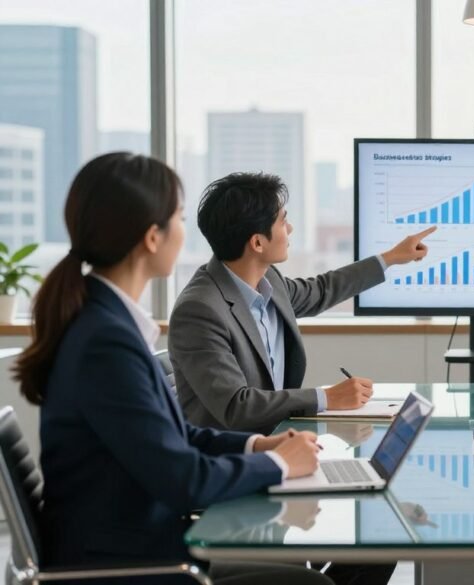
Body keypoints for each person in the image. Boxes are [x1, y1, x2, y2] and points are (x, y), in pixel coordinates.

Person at [11, 153, 331, 584]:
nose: (186, 232)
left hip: (148, 545)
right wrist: (279, 466)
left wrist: (259, 447)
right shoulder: (105, 342)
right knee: (310, 582)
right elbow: (184, 479)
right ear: (152, 238)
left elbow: (176, 438)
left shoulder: (107, 322)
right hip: (130, 566)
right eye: (178, 218)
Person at [169, 172, 434, 434]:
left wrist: (391, 258)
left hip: (280, 442)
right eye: (283, 221)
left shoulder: (268, 280)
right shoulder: (199, 311)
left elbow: (322, 289)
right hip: (230, 461)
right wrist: (326, 398)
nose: (290, 228)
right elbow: (236, 406)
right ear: (258, 242)